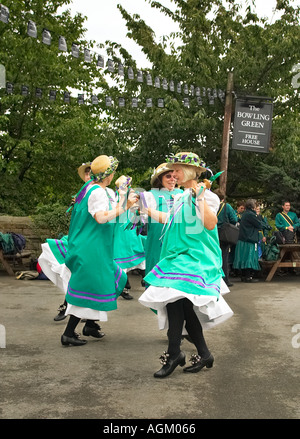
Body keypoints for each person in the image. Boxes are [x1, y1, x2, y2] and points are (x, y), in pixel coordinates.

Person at [139, 152, 233, 378]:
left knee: (174, 300)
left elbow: (210, 224)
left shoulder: (208, 197)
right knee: (180, 305)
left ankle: (174, 354)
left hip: (197, 258)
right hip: (178, 257)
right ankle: (203, 353)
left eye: (178, 170)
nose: (174, 174)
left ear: (191, 172)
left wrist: (199, 198)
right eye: (172, 171)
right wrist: (145, 209)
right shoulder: (180, 197)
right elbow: (170, 219)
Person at [58, 154, 138, 346]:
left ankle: (91, 325)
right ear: (108, 176)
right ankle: (69, 333)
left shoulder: (87, 189)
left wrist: (123, 203)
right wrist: (124, 206)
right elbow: (101, 218)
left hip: (90, 246)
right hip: (91, 248)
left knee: (112, 281)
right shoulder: (98, 192)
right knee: (88, 290)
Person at [38, 162, 92, 321]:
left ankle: (87, 318)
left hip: (92, 240)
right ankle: (72, 310)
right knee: (74, 273)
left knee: (89, 278)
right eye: (87, 174)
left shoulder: (102, 193)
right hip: (80, 239)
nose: (89, 176)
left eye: (92, 173)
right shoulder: (82, 193)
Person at [142, 163, 182, 281]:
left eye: (174, 176)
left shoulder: (182, 194)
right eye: (168, 176)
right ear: (160, 178)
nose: (172, 179)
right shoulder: (150, 195)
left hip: (177, 242)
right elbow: (141, 219)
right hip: (157, 242)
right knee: (156, 275)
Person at [113, 175, 146, 300]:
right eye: (127, 185)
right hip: (120, 231)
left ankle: (146, 281)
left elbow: (140, 211)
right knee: (122, 260)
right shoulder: (117, 198)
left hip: (130, 230)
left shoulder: (132, 196)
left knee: (139, 255)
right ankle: (124, 287)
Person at [233, 199, 262, 283]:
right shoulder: (251, 215)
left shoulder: (245, 214)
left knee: (243, 258)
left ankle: (243, 276)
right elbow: (259, 225)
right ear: (253, 206)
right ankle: (248, 277)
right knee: (249, 258)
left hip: (242, 238)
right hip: (249, 239)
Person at [214, 188, 238, 287]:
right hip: (224, 234)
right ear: (223, 198)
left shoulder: (210, 205)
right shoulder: (226, 207)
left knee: (214, 256)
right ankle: (225, 280)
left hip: (213, 233)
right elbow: (234, 219)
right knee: (224, 256)